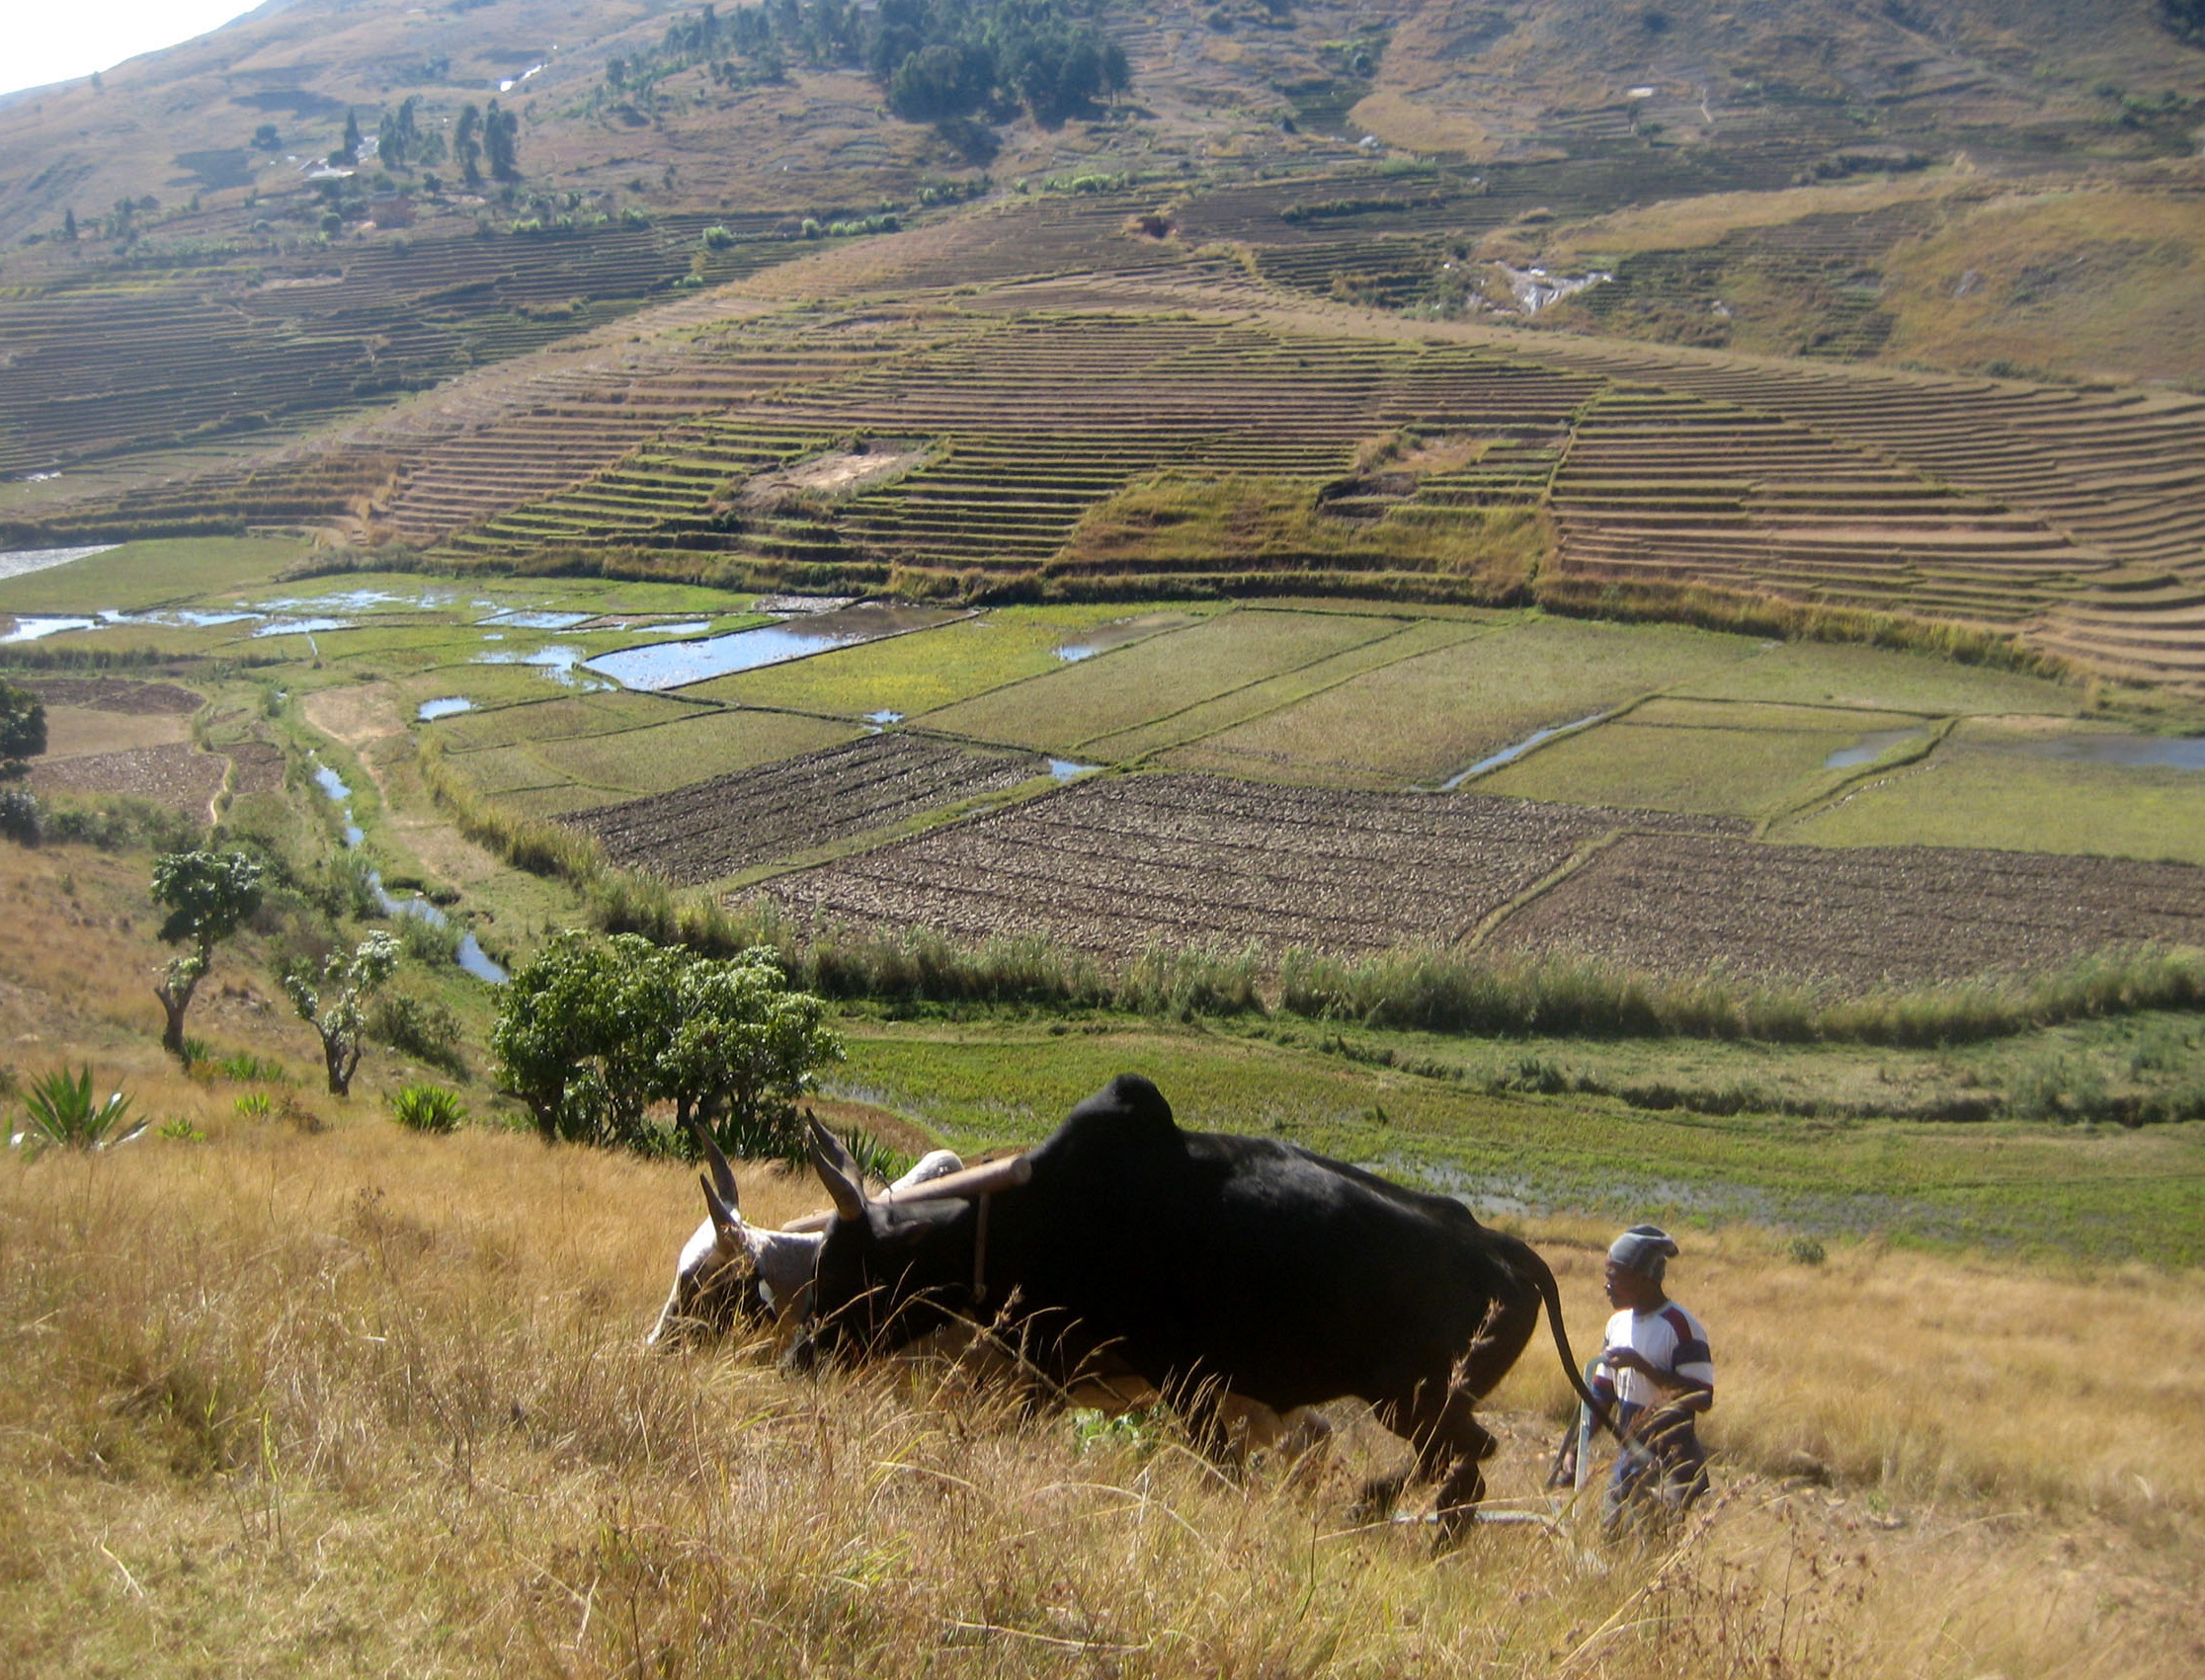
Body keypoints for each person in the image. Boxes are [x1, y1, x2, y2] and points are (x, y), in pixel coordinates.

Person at [1553, 1225, 1715, 1531]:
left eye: (1614, 1277)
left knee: (1656, 1543)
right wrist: (1577, 1449)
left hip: (1672, 1466)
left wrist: (1641, 1366)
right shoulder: (1617, 1325)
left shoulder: (1681, 1326)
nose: (1607, 1286)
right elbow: (1601, 1396)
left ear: (1644, 1278)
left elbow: (1702, 1398)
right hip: (1629, 1463)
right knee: (1611, 1539)